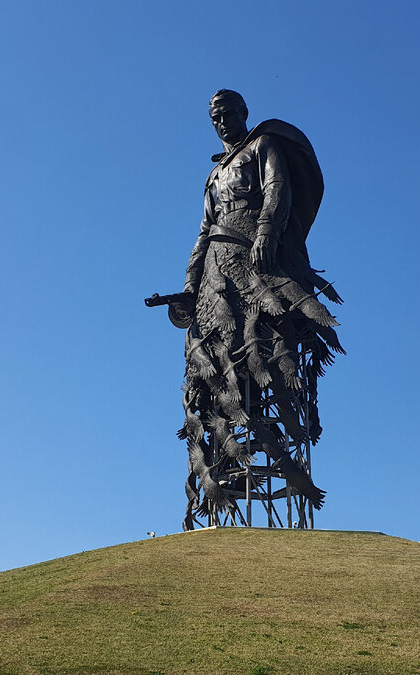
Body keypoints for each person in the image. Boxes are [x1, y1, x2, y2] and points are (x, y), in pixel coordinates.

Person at [176, 90, 344, 530]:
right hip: (216, 273)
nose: (222, 121)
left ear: (244, 113)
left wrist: (267, 232)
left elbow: (278, 191)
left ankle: (282, 467)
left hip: (256, 261)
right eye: (215, 117)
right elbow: (203, 231)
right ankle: (222, 483)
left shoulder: (262, 146)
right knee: (215, 377)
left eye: (229, 113)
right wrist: (189, 287)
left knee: (266, 353)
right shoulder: (213, 176)